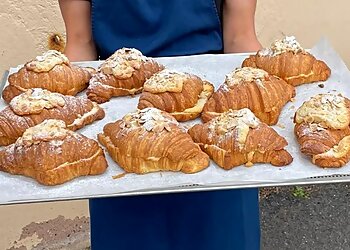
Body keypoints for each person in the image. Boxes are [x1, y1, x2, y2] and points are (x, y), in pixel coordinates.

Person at [58, 1, 262, 249]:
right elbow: (80, 44)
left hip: (215, 132)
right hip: (123, 131)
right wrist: (59, 108)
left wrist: (262, 84)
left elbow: (240, 38)